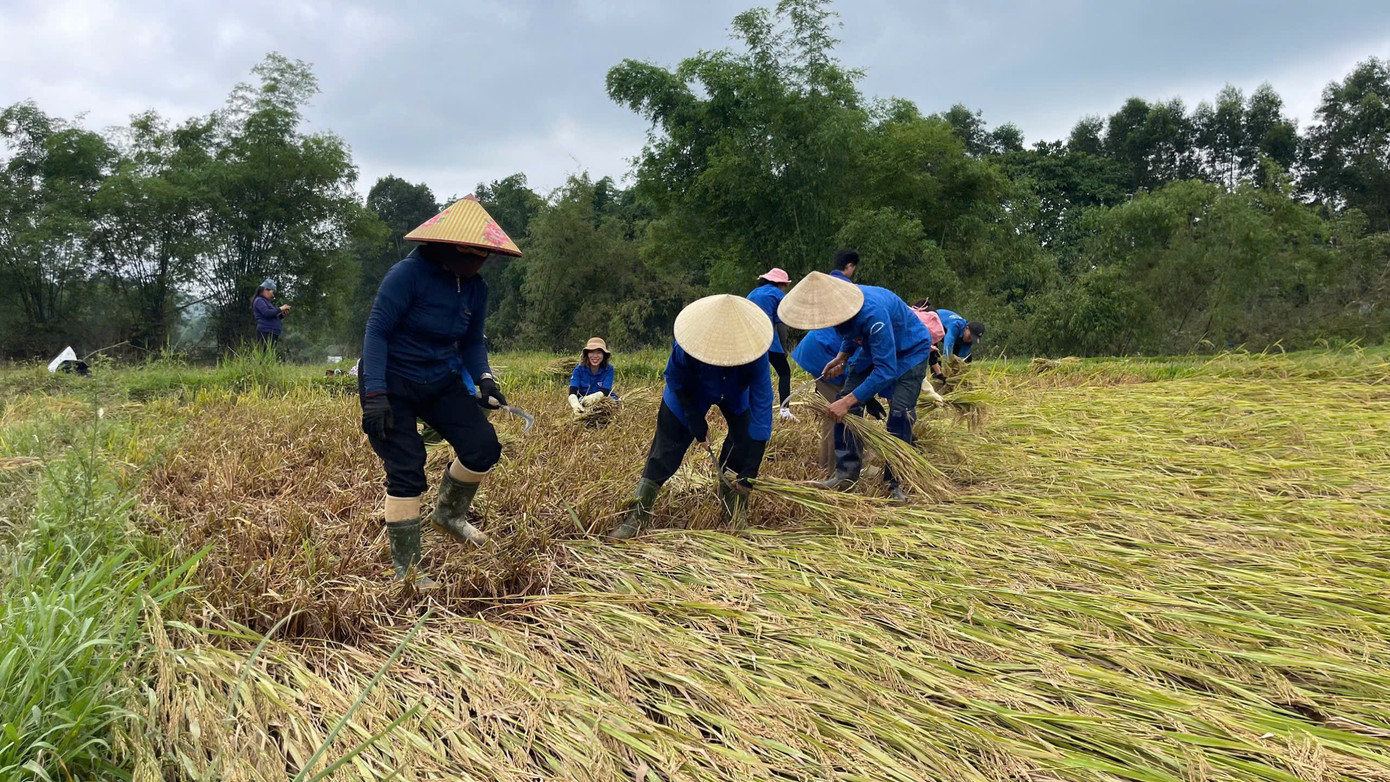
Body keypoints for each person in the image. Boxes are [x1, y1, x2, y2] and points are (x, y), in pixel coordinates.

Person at [359, 196, 523, 585]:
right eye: (474, 254)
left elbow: (471, 342)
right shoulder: (407, 275)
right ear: (448, 247)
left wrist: (484, 378)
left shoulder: (475, 288)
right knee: (407, 467)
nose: (479, 262)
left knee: (483, 447)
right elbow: (376, 332)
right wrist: (376, 394)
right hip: (391, 380)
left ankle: (448, 515)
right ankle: (409, 569)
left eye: (485, 256)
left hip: (440, 377)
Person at [607, 295, 774, 540]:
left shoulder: (757, 356)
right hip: (689, 392)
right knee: (666, 450)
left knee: (743, 442)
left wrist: (751, 468)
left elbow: (762, 408)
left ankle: (734, 514)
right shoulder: (688, 347)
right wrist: (693, 416)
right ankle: (637, 516)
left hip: (737, 394)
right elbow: (673, 377)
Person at [779, 271, 933, 503]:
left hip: (910, 351)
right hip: (873, 348)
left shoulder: (874, 315)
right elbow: (850, 332)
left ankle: (894, 483)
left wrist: (848, 401)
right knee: (845, 404)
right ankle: (846, 475)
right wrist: (843, 355)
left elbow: (886, 369)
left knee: (900, 413)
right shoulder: (842, 307)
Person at [791, 328, 887, 471]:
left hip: (822, 347)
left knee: (836, 411)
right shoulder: (881, 329)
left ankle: (828, 465)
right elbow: (856, 367)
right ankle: (837, 469)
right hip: (825, 352)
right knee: (840, 414)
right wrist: (867, 398)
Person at [746, 268, 794, 418]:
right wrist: (784, 348)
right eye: (785, 285)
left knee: (751, 375)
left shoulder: (752, 293)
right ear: (779, 283)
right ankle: (784, 410)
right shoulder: (779, 295)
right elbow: (780, 324)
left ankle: (747, 409)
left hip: (748, 340)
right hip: (768, 339)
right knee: (784, 372)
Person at [568, 337, 618, 413]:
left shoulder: (609, 369)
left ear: (604, 355)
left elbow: (606, 390)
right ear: (587, 354)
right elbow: (572, 392)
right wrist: (575, 404)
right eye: (591, 352)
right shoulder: (579, 370)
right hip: (583, 400)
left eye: (599, 352)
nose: (595, 356)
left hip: (603, 398)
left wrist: (594, 398)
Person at [935, 308, 986, 378]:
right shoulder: (956, 326)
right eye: (970, 336)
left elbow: (962, 357)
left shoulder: (969, 340)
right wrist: (947, 366)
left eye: (973, 339)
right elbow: (947, 347)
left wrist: (959, 372)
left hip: (952, 337)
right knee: (936, 356)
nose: (970, 340)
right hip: (934, 324)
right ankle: (937, 379)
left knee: (965, 360)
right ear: (966, 328)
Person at [252, 280, 290, 348]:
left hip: (273, 332)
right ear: (265, 290)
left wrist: (281, 316)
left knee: (271, 354)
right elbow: (267, 313)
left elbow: (272, 316)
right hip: (265, 331)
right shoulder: (259, 300)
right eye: (272, 292)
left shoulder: (266, 302)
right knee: (265, 353)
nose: (273, 295)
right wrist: (281, 308)